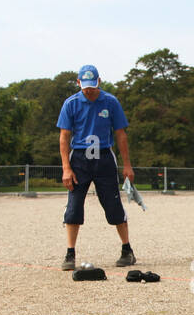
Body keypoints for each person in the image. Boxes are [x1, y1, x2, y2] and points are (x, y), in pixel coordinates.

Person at [56, 64, 136, 270]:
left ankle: (127, 250)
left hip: (104, 158)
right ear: (78, 83)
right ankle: (70, 253)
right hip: (80, 160)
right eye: (85, 87)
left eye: (92, 86)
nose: (89, 90)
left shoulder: (111, 102)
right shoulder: (71, 104)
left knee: (113, 204)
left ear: (99, 82)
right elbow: (64, 137)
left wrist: (127, 165)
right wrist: (66, 168)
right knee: (73, 207)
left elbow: (121, 134)